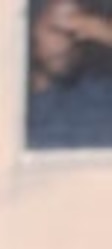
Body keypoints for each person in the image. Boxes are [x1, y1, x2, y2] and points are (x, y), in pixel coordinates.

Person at [31, 0, 112, 149]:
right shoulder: (10, 105)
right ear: (31, 29)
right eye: (57, 30)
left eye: (78, 32)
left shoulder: (99, 93)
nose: (67, 41)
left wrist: (104, 31)